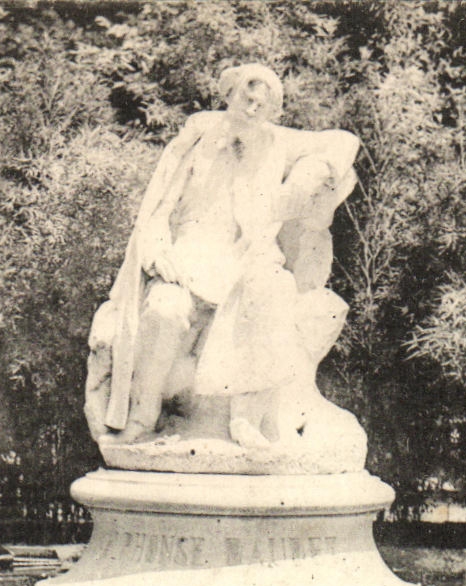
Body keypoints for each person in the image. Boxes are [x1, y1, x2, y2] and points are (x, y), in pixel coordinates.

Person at [86, 64, 361, 449]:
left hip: (248, 260)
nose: (253, 108)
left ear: (273, 112)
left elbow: (345, 142)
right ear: (228, 96)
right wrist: (158, 251)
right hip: (188, 261)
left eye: (263, 104)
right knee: (165, 310)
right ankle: (142, 417)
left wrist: (306, 176)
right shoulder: (198, 138)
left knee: (271, 289)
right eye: (246, 98)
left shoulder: (278, 142)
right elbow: (156, 212)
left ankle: (246, 418)